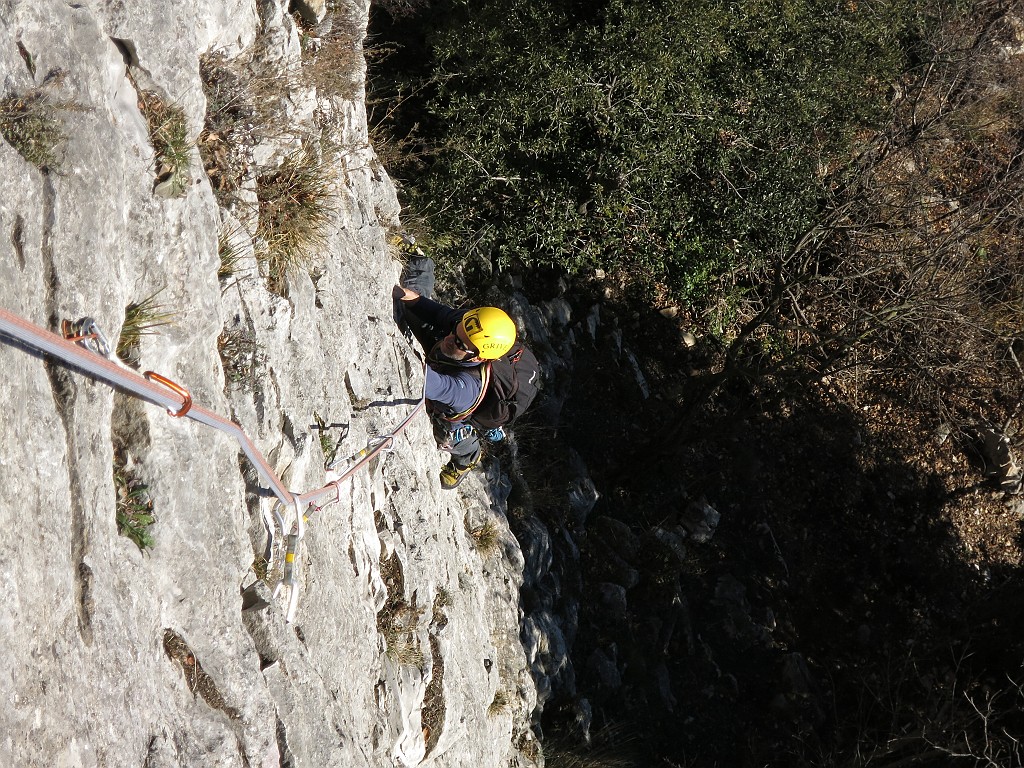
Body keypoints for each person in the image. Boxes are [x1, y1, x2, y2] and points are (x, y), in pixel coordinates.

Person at [393, 255, 518, 490]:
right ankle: (420, 260)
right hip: (446, 361)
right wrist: (399, 292)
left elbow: (427, 382)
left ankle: (468, 459)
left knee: (449, 436)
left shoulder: (465, 389)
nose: (451, 338)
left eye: (461, 343)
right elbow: (434, 312)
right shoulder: (468, 329)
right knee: (409, 308)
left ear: (480, 356)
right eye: (456, 332)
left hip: (453, 414)